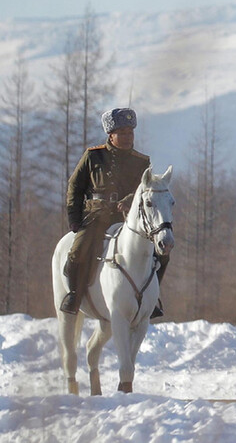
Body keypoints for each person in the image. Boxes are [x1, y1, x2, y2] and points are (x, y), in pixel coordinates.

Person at [62, 108, 170, 318]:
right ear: (111, 135)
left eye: (130, 133)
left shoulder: (142, 161)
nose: (128, 137)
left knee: (162, 253)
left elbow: (144, 190)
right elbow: (75, 187)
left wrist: (129, 200)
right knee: (78, 251)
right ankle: (74, 295)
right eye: (122, 133)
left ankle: (151, 298)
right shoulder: (93, 156)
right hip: (97, 216)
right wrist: (74, 218)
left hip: (129, 219)